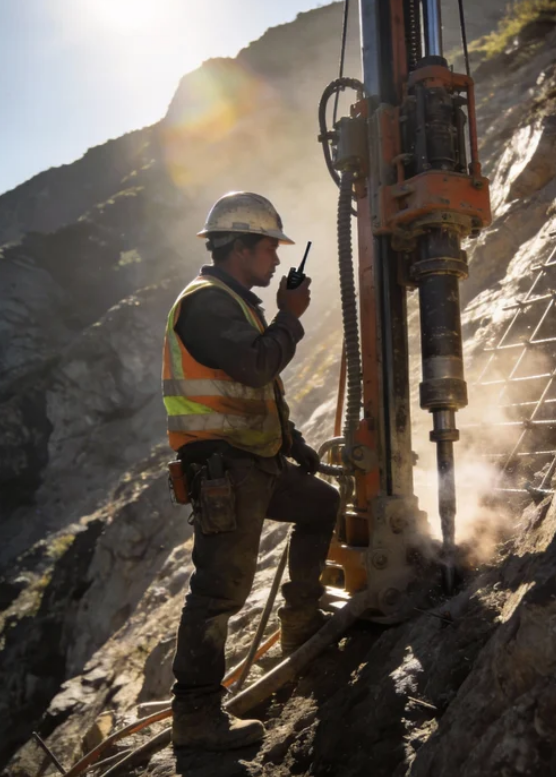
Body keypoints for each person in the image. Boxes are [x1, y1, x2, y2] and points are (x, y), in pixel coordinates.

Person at [161, 191, 339, 750]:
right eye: (269, 248)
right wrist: (290, 317)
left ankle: (301, 620)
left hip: (255, 463)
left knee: (321, 505)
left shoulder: (237, 302)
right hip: (225, 470)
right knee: (220, 590)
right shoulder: (207, 303)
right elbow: (257, 365)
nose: (277, 260)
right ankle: (196, 719)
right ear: (239, 248)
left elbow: (254, 393)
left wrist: (295, 443)